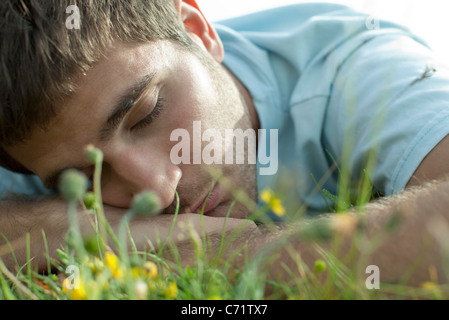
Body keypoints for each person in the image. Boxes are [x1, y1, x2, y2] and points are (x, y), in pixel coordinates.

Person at [2, 0, 449, 289]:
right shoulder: (37, 136)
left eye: (148, 112)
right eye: (83, 177)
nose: (157, 190)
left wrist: (212, 255)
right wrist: (52, 222)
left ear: (198, 30)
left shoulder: (355, 68)